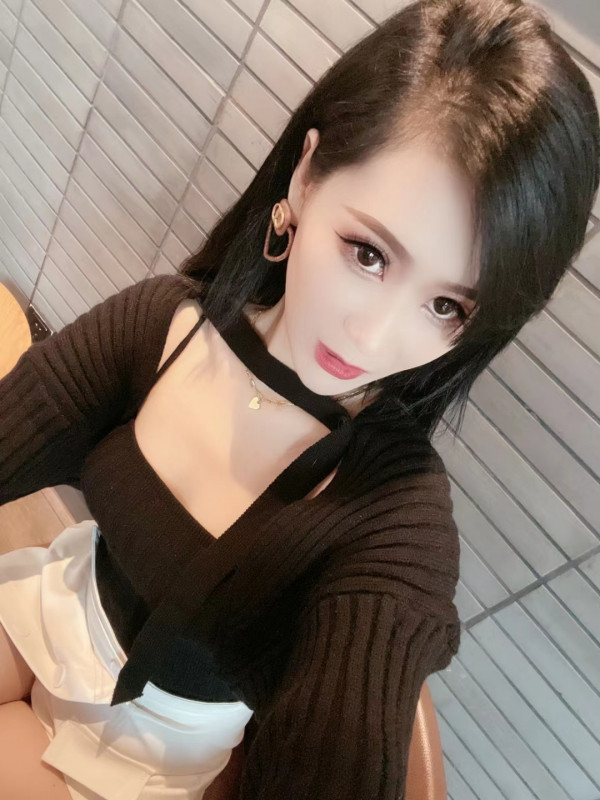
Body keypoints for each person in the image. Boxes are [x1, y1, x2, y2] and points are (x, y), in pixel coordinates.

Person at [0, 0, 598, 798]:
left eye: (446, 306)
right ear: (307, 176)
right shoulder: (161, 327)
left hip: (151, 754)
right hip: (49, 605)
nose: (373, 337)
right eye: (368, 253)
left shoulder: (394, 522)